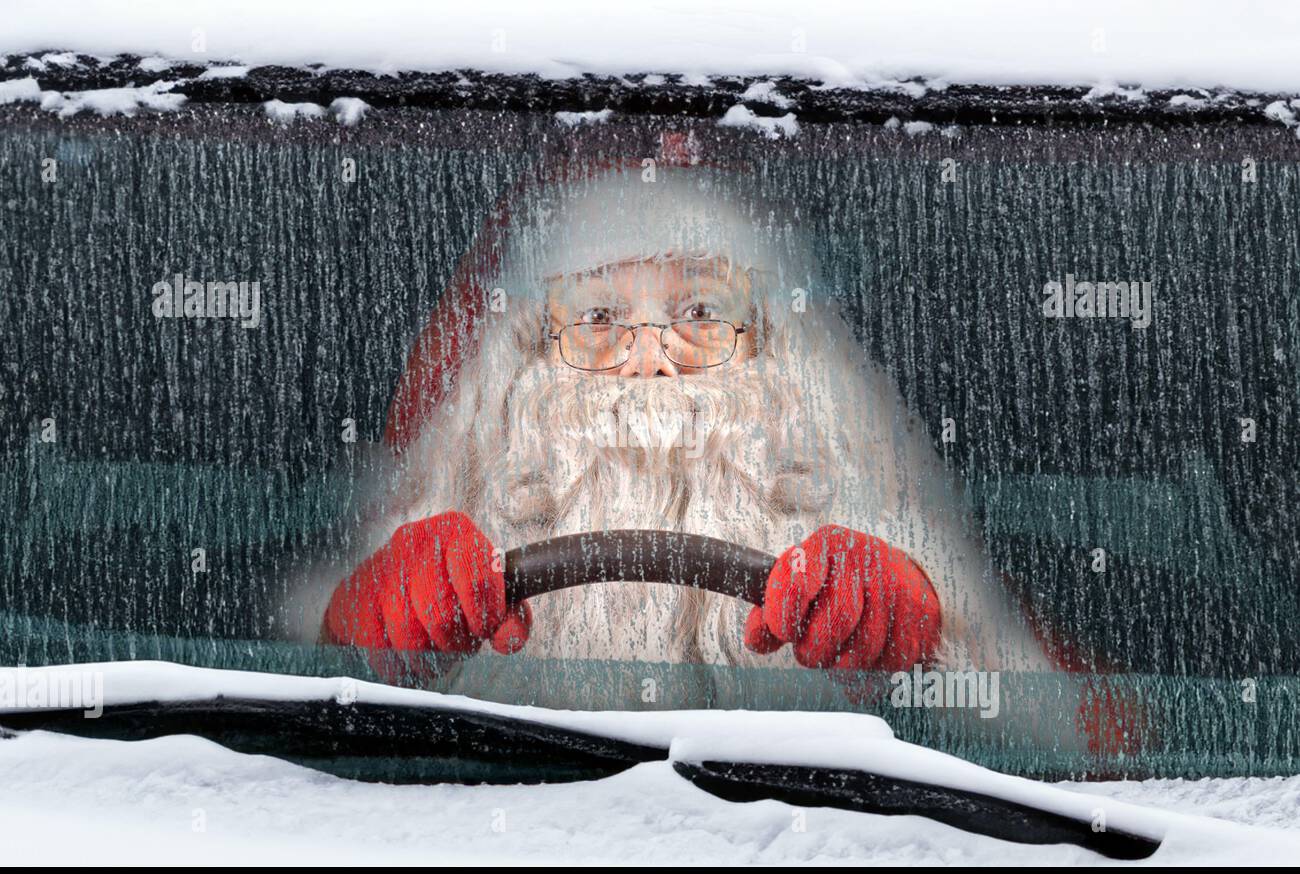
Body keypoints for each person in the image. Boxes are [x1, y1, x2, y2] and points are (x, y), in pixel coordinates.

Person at [316, 143, 1064, 707]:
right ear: (524, 354)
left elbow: (1061, 727)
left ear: (776, 349)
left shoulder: (881, 530)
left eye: (700, 314)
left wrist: (924, 650)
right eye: (599, 318)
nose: (649, 361)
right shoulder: (445, 523)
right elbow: (307, 712)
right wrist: (362, 627)